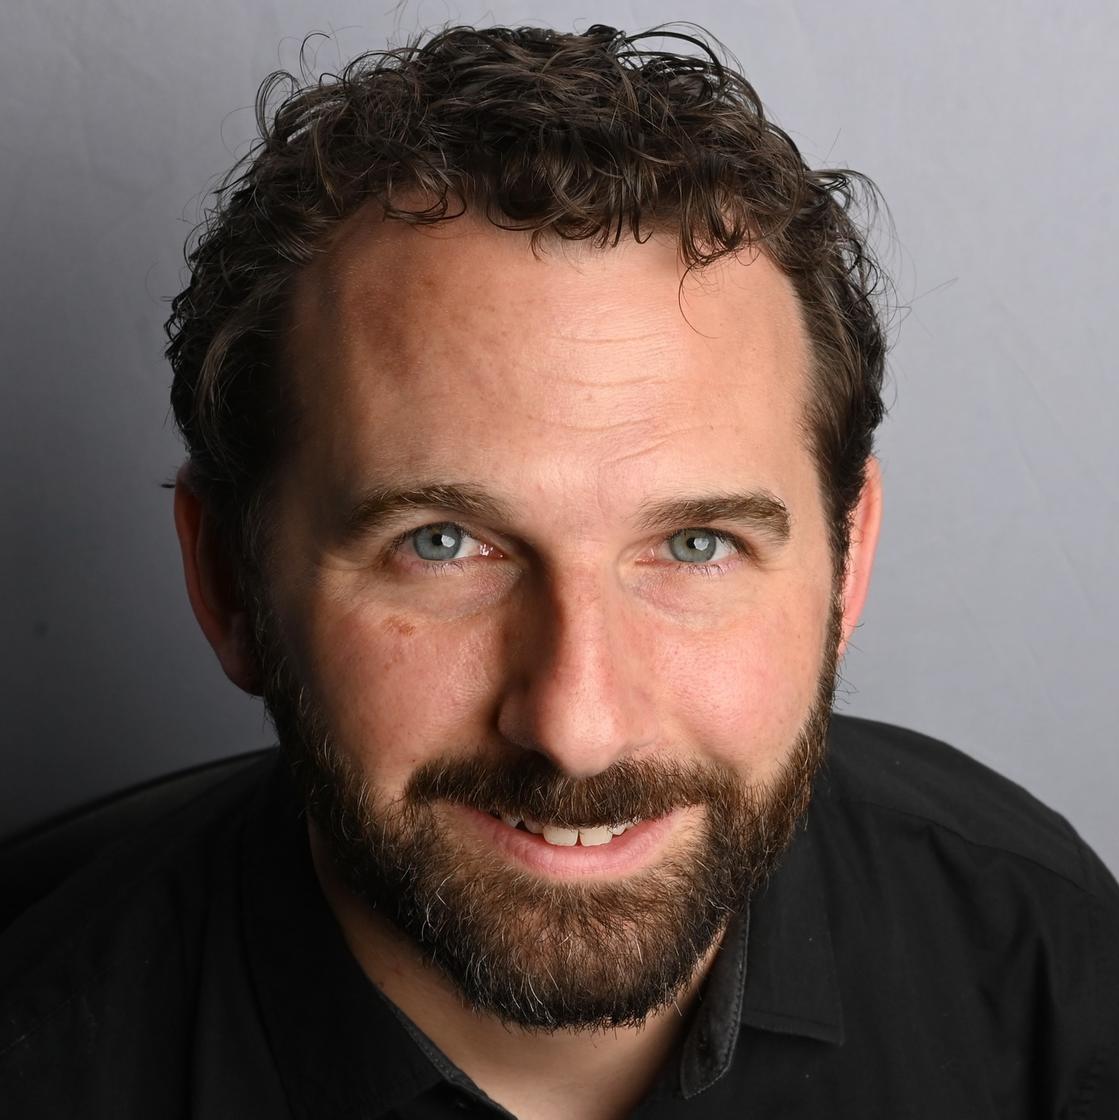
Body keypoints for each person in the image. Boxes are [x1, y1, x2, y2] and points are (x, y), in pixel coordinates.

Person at [1, 22, 1116, 1118]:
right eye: (442, 543)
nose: (578, 728)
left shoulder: (1044, 967)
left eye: (696, 545)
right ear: (229, 583)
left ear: (847, 562)